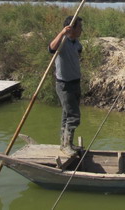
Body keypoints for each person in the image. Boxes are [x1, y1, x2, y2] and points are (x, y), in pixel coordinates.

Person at [49, 15, 83, 155]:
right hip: (64, 84)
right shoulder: (63, 42)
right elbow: (51, 48)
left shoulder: (77, 43)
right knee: (73, 116)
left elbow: (79, 53)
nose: (81, 29)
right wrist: (62, 33)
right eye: (79, 27)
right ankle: (67, 145)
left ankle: (65, 143)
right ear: (71, 28)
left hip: (75, 82)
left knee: (66, 114)